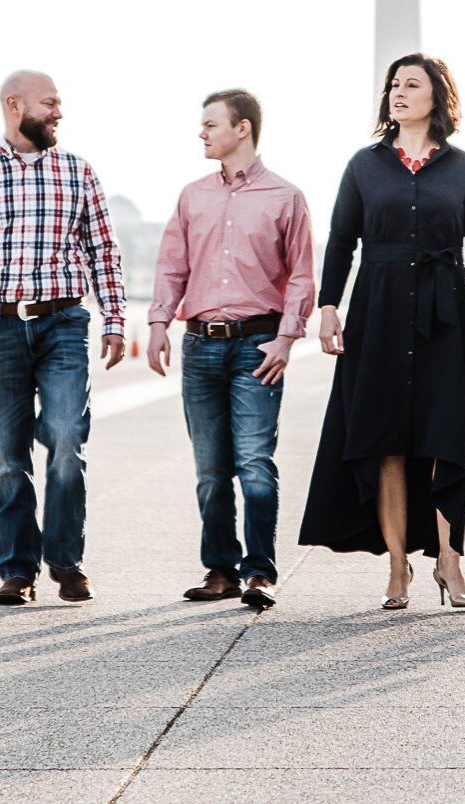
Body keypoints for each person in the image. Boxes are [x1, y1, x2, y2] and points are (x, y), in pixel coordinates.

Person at [299, 52, 465, 613]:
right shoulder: (364, 165)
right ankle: (397, 566)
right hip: (378, 312)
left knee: (448, 438)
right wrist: (328, 307)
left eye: (411, 84)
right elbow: (341, 240)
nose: (398, 92)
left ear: (437, 97)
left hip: (445, 314)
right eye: (394, 84)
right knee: (385, 439)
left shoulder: (463, 169)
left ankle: (449, 560)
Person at [0, 68, 128, 608]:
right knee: (8, 458)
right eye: (50, 103)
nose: (59, 112)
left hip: (63, 323)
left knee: (66, 439)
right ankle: (18, 571)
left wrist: (114, 319)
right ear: (15, 106)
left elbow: (102, 252)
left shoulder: (78, 172)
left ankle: (66, 562)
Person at [146, 88, 315, 616]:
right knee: (211, 469)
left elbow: (303, 275)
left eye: (210, 124)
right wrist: (157, 325)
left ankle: (259, 572)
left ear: (242, 128)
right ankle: (220, 570)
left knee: (255, 465)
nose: (202, 132)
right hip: (199, 345)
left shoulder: (285, 197)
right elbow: (172, 265)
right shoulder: (192, 196)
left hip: (257, 346)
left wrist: (286, 338)